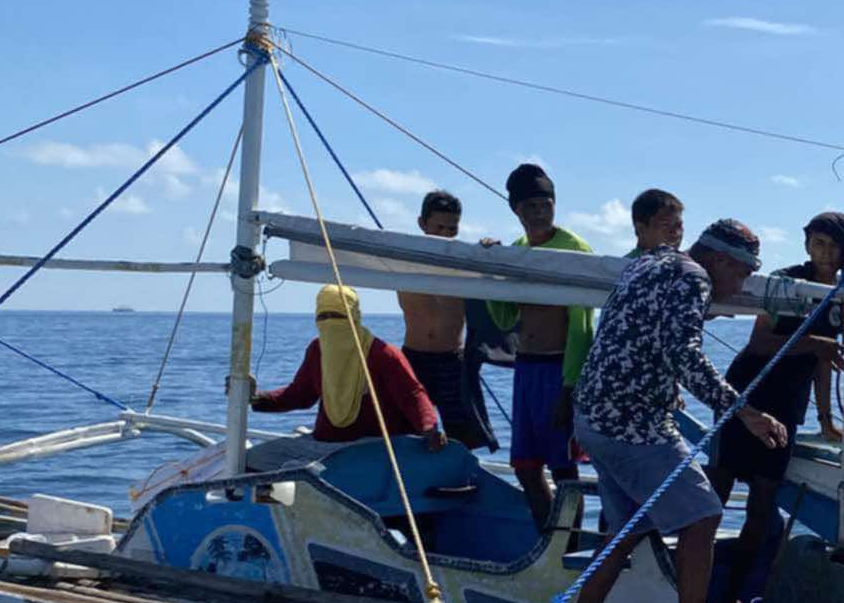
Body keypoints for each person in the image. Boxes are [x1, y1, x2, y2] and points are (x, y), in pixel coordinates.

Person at [569, 219, 787, 603]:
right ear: (721, 261)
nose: (739, 285)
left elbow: (638, 336)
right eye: (742, 274)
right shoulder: (694, 278)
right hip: (632, 426)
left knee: (625, 528)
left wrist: (663, 388)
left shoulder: (650, 261)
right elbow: (684, 353)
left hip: (592, 416)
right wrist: (745, 412)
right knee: (703, 514)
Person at [706, 210, 844, 603]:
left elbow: (826, 363)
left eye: (833, 245)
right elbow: (761, 342)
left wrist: (825, 420)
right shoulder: (786, 281)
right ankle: (692, 586)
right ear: (806, 245)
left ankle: (730, 596)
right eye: (818, 243)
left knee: (763, 502)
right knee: (715, 492)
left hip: (788, 403)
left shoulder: (841, 296)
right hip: (749, 390)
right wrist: (817, 342)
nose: (825, 252)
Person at [482, 164, 593, 529]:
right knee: (526, 467)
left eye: (546, 203)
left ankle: (570, 546)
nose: (540, 212)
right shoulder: (517, 250)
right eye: (531, 206)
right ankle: (549, 539)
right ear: (516, 210)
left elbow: (582, 325)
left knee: (564, 468)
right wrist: (493, 267)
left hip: (559, 369)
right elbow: (503, 318)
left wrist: (570, 386)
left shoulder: (574, 249)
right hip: (525, 368)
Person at [252, 284, 445, 450]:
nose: (330, 323)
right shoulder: (317, 350)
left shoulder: (382, 353)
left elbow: (412, 395)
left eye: (337, 316)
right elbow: (299, 395)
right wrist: (256, 398)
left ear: (354, 317)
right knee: (252, 460)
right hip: (325, 445)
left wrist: (429, 427)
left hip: (373, 448)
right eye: (323, 317)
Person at [397, 189, 499, 451]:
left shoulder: (467, 261)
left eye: (452, 229)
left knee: (465, 437)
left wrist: (491, 251)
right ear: (422, 223)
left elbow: (497, 277)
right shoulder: (399, 256)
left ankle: (464, 482)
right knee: (409, 432)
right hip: (413, 358)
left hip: (453, 359)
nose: (445, 235)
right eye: (438, 227)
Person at [630, 187, 685, 253]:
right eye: (666, 225)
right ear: (641, 229)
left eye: (678, 225)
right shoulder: (624, 263)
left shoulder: (685, 261)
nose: (675, 232)